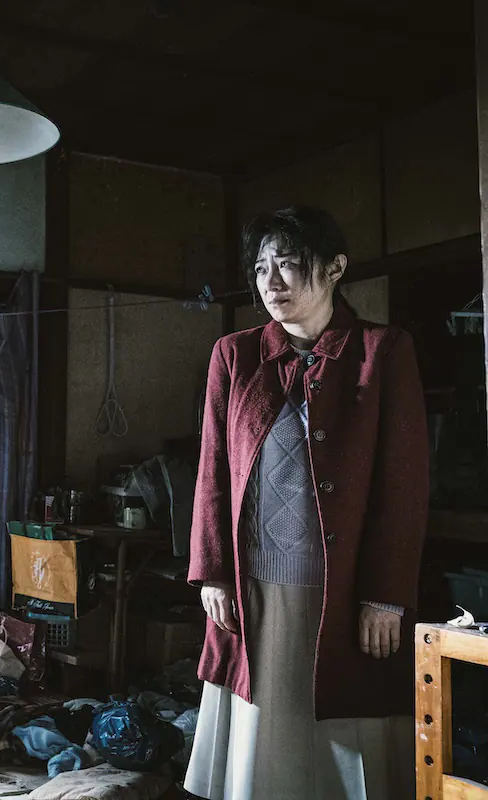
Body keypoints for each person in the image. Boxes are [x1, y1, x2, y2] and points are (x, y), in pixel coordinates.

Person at [183, 206, 428, 799]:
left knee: (346, 744)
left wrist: (385, 596)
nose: (270, 282)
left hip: (344, 591)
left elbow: (404, 483)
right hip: (255, 588)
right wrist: (212, 572)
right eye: (261, 268)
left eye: (288, 264)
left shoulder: (382, 351)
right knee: (263, 745)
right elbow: (212, 472)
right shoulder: (235, 355)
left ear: (336, 267)